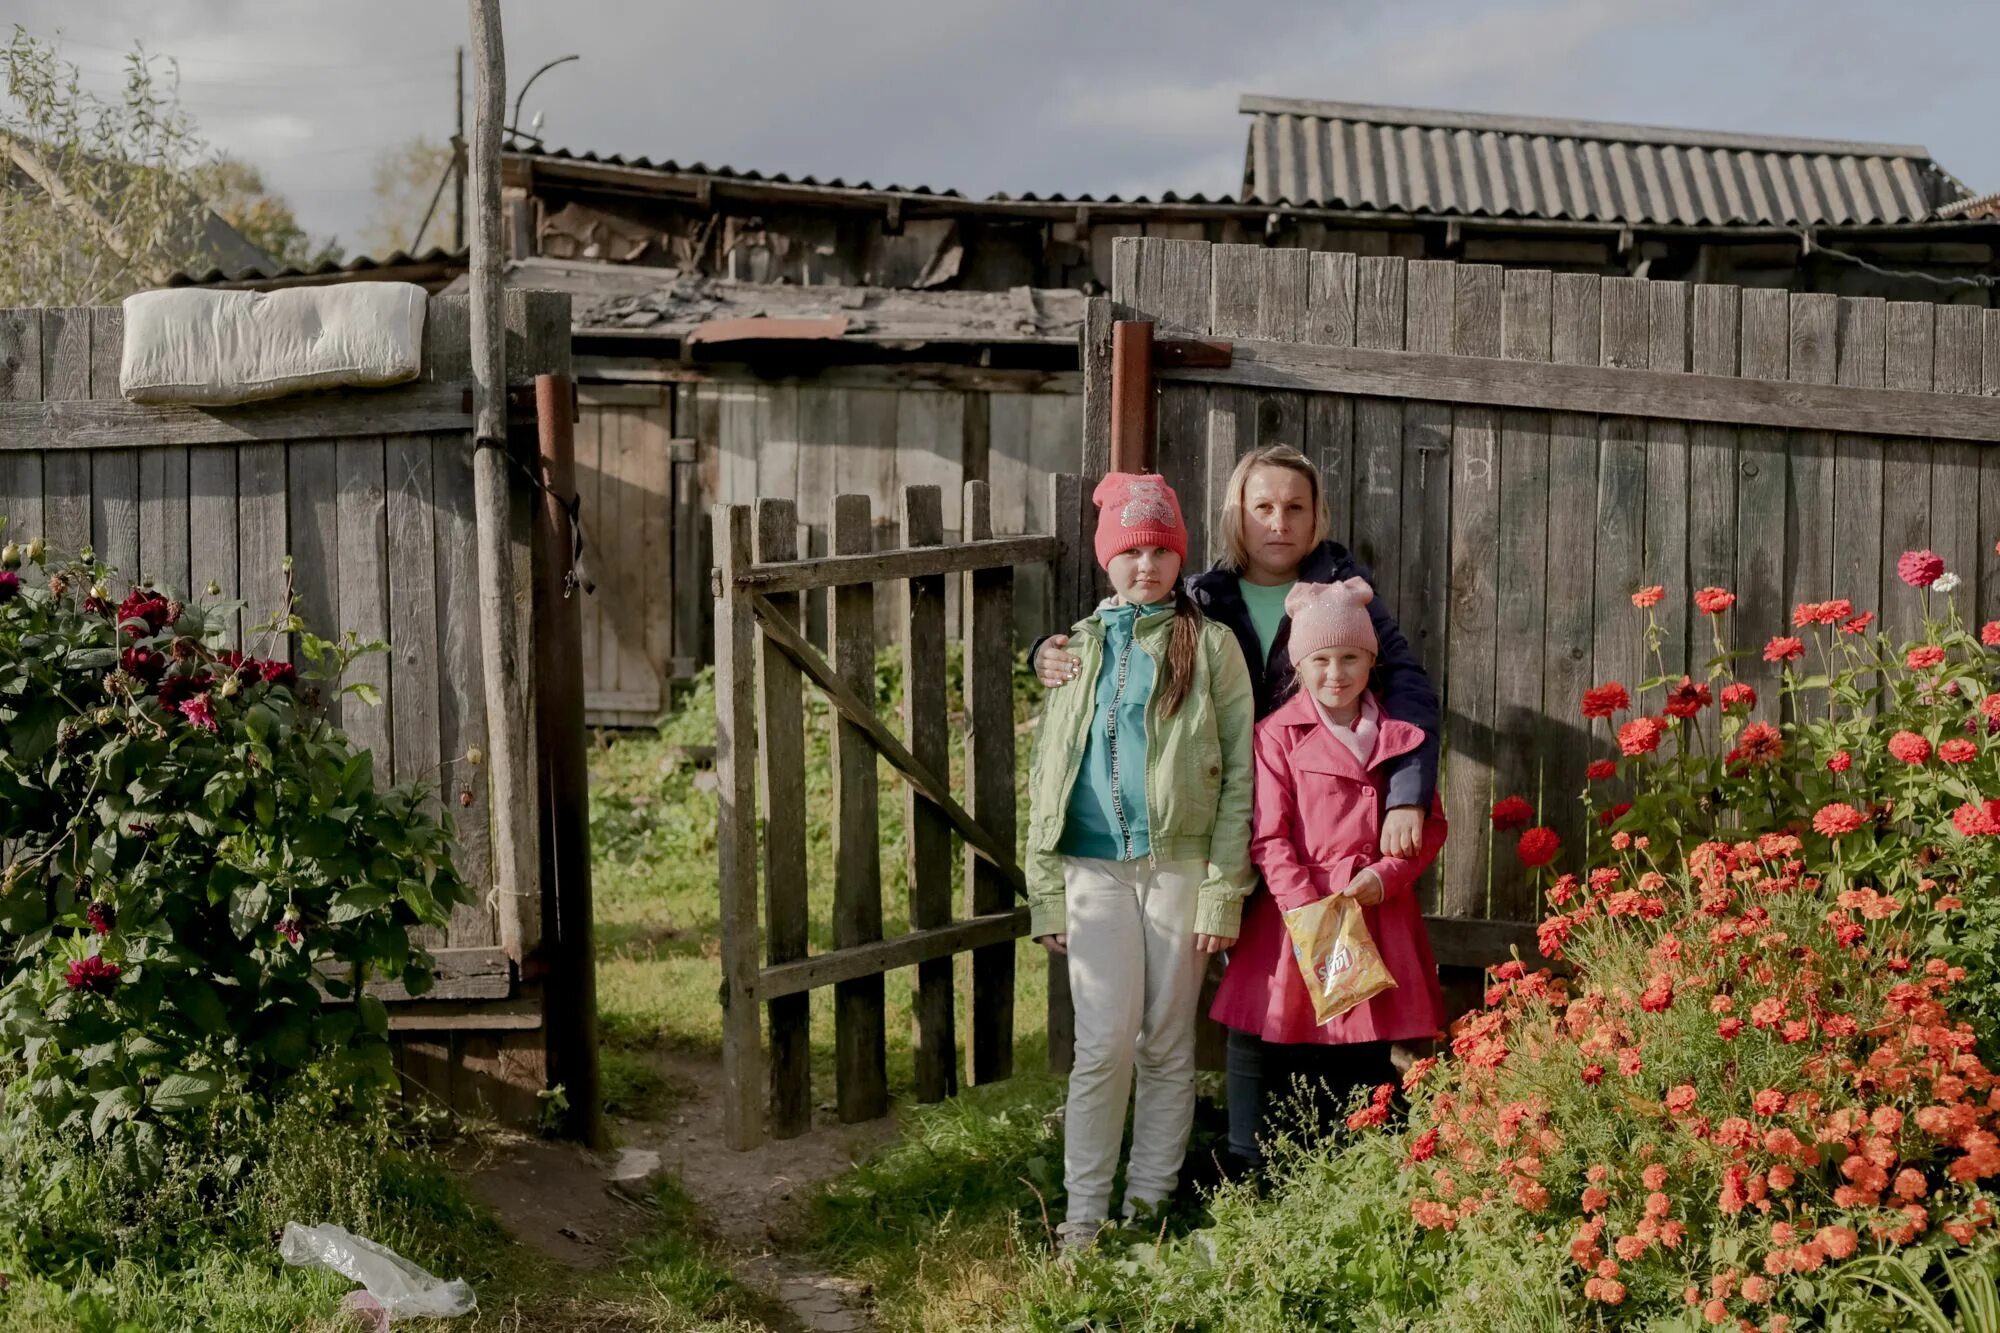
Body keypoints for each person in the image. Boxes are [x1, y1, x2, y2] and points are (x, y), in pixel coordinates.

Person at [1024, 471, 1256, 1250]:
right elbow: (1049, 774)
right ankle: (1083, 1215)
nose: (1148, 565)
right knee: (1103, 1044)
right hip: (1093, 870)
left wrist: (1224, 890)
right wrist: (1047, 892)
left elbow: (1240, 775)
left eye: (1162, 549)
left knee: (1165, 1040)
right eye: (1132, 550)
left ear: (1179, 553)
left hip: (1180, 867)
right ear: (1106, 557)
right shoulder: (1075, 649)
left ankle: (1147, 1207)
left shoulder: (1212, 645)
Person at [1035, 445, 1440, 860]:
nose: (1279, 523)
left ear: (1316, 514)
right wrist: (1047, 651)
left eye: (1295, 507)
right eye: (1263, 507)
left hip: (1320, 824)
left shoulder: (1346, 598)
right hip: (1219, 821)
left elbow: (1409, 689)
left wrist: (1407, 795)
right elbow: (1122, 630)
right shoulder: (1202, 600)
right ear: (1237, 514)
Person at [1209, 579, 1448, 1169]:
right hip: (1297, 913)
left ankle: (1361, 1157)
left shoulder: (1401, 738)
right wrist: (1306, 908)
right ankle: (1258, 1160)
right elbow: (1268, 834)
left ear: (1371, 660)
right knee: (1274, 1030)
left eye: (1349, 658)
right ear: (1299, 664)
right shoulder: (1276, 736)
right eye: (1320, 660)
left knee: (1367, 1034)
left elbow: (1428, 828)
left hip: (1373, 908)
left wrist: (1386, 877)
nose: (1335, 674)